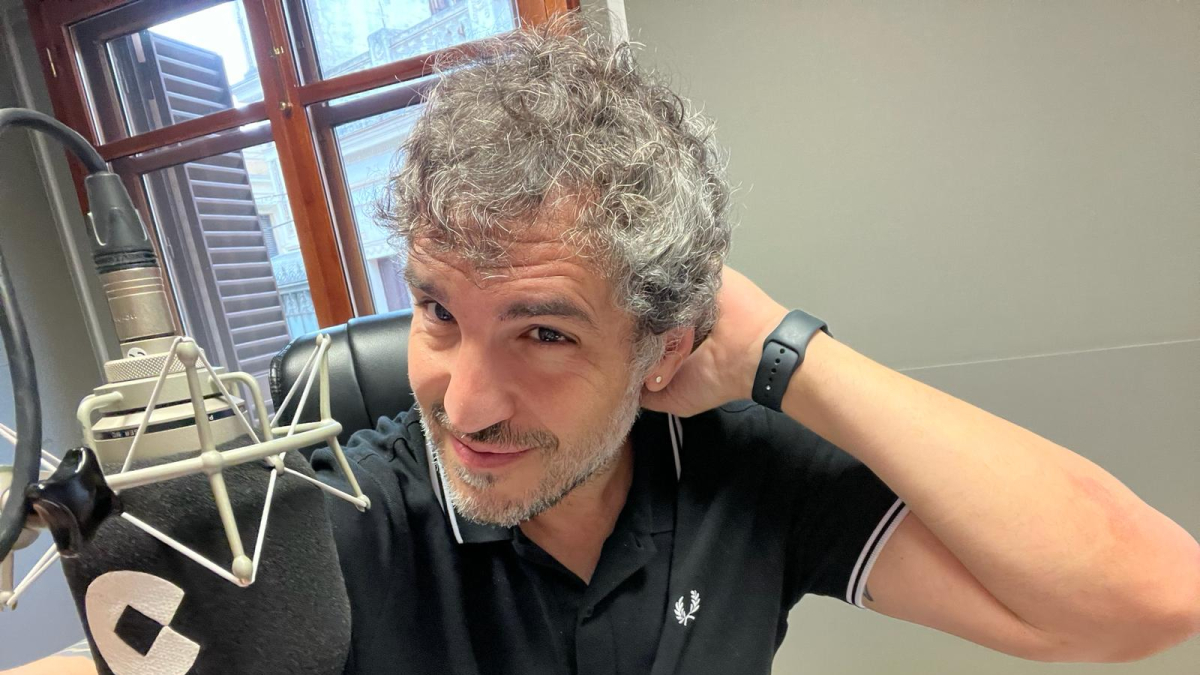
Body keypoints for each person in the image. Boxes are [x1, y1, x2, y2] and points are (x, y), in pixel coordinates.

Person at [12, 12, 1199, 675]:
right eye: (438, 312)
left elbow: (1145, 598)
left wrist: (784, 354)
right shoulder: (345, 519)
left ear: (668, 349)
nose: (465, 405)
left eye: (542, 331)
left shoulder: (741, 479)